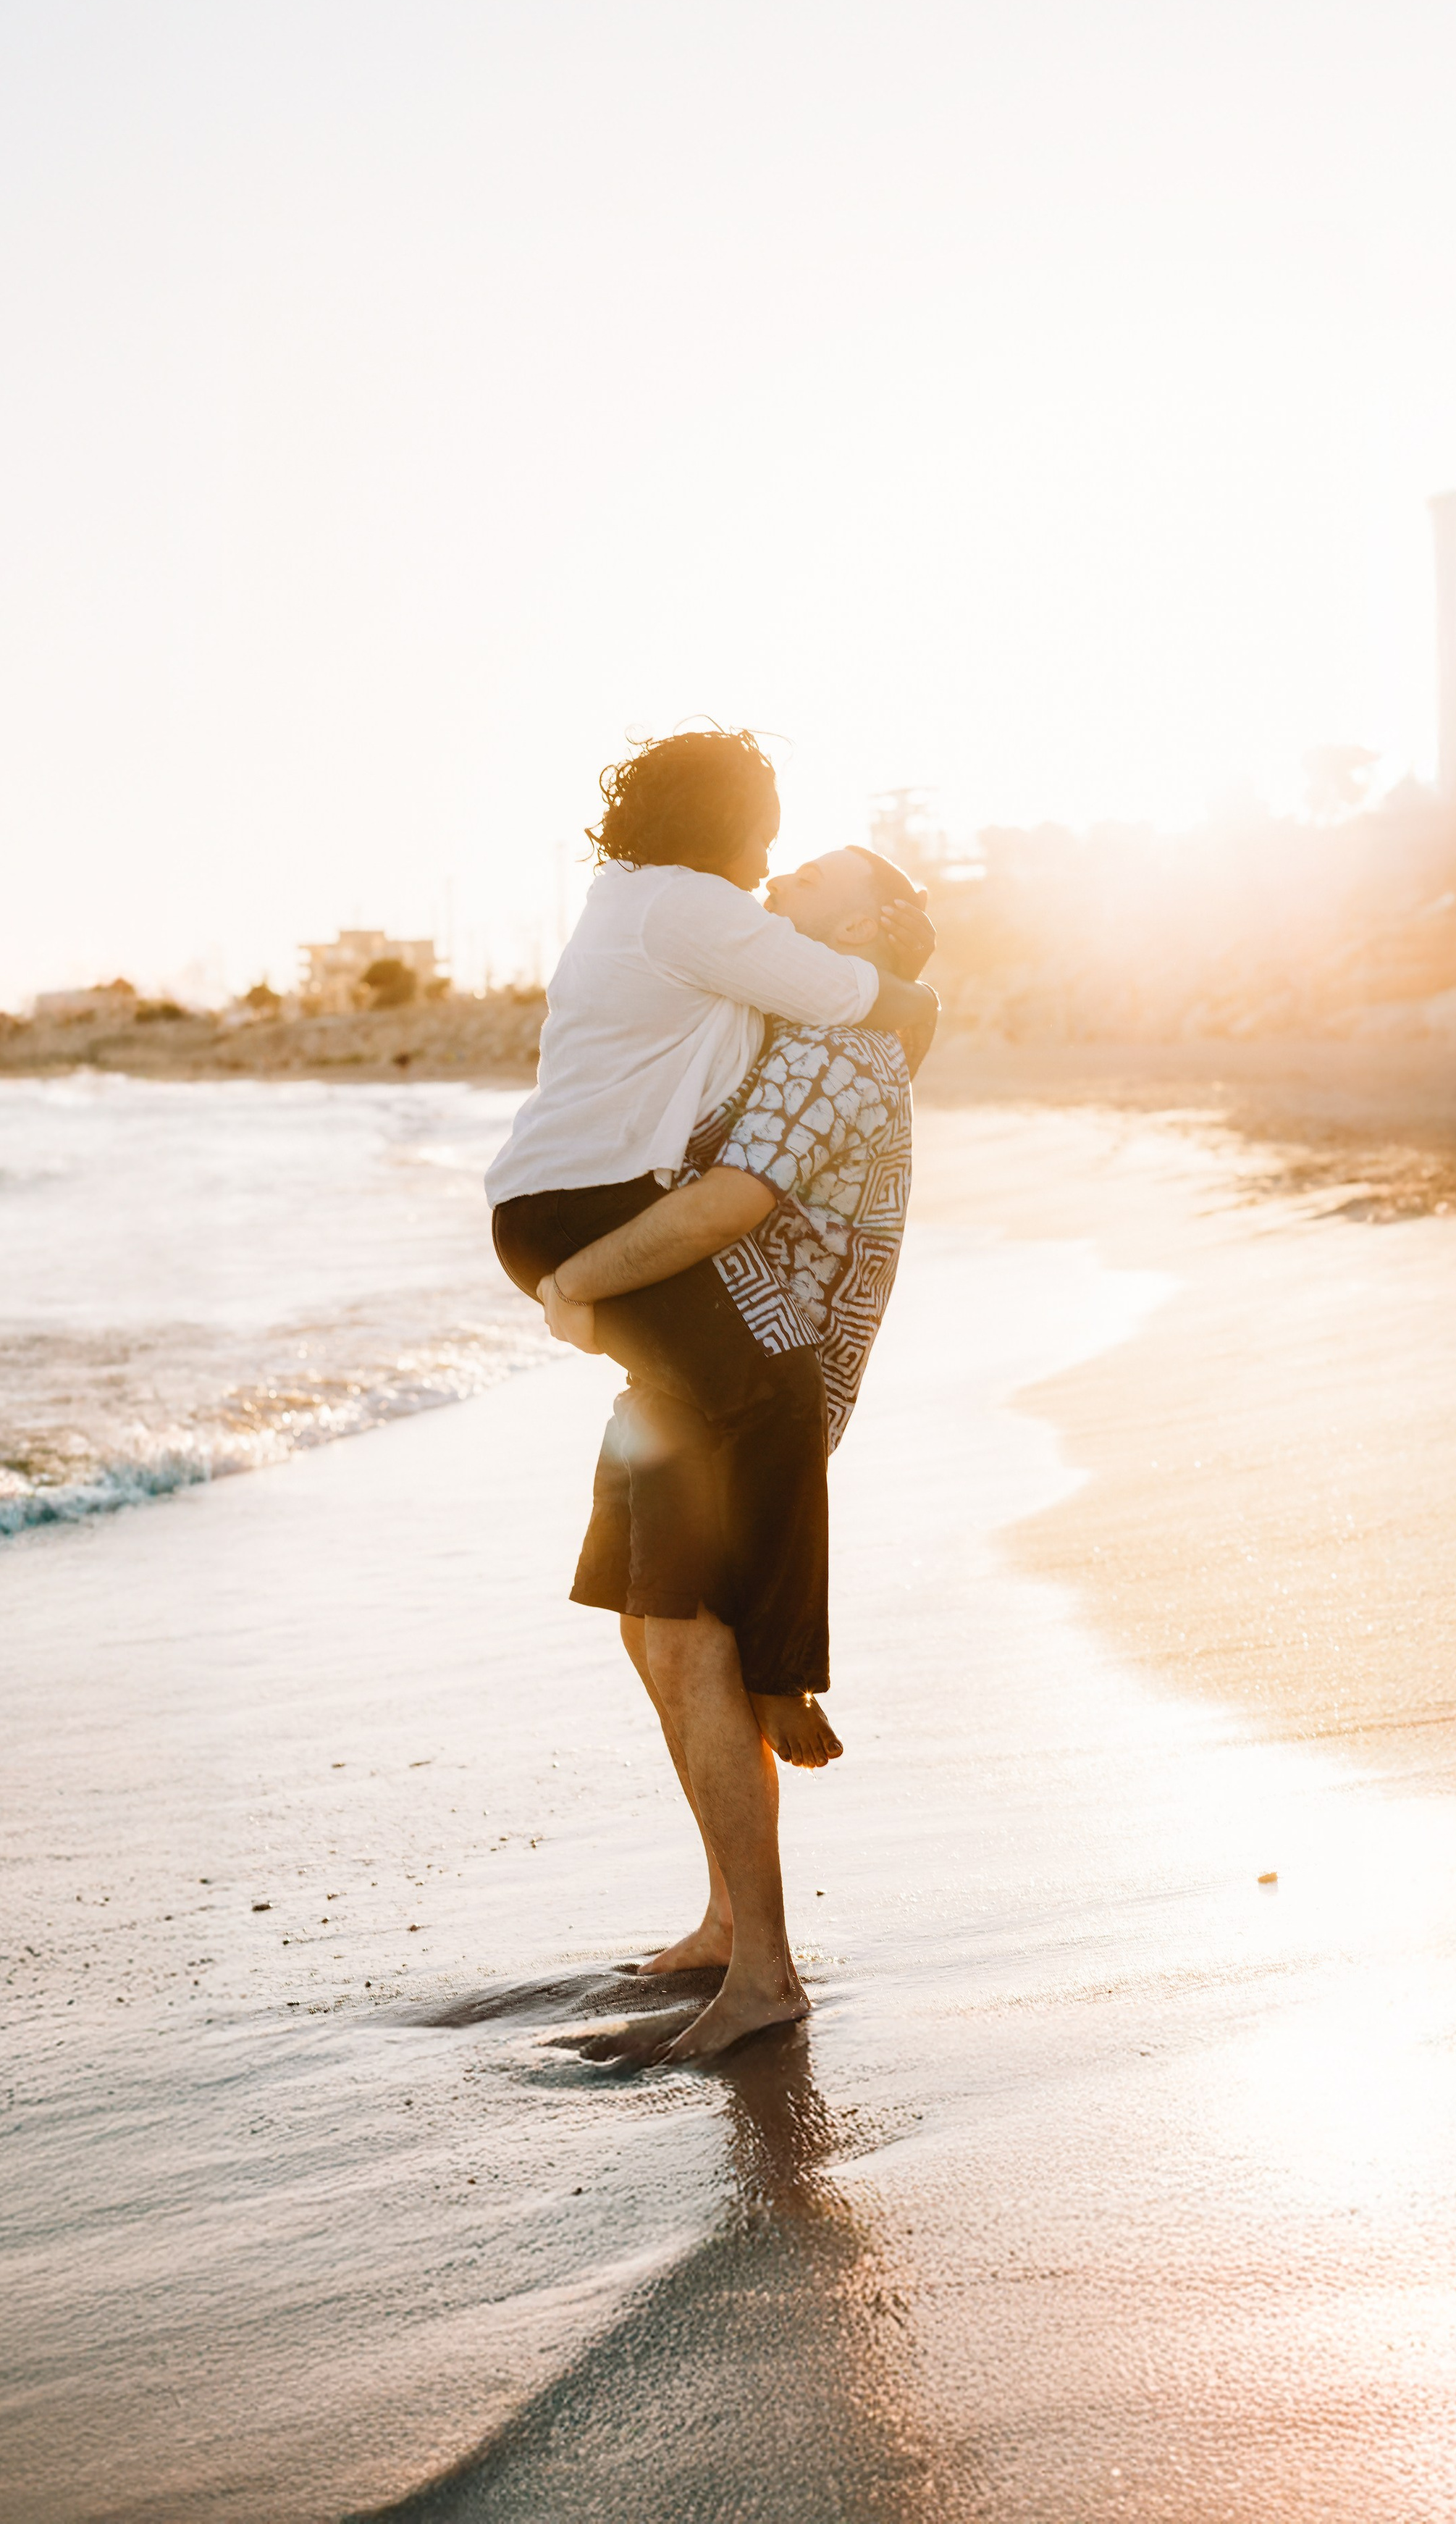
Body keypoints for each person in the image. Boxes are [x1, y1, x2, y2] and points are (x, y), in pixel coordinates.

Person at [534, 842, 933, 2062]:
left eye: (814, 877)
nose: (780, 884)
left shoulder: (841, 1047)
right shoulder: (790, 1017)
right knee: (646, 1624)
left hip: (753, 1365)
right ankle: (725, 1917)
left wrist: (574, 1284)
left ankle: (763, 1973)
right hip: (691, 1352)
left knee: (691, 1628)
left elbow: (734, 1201)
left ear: (864, 921)